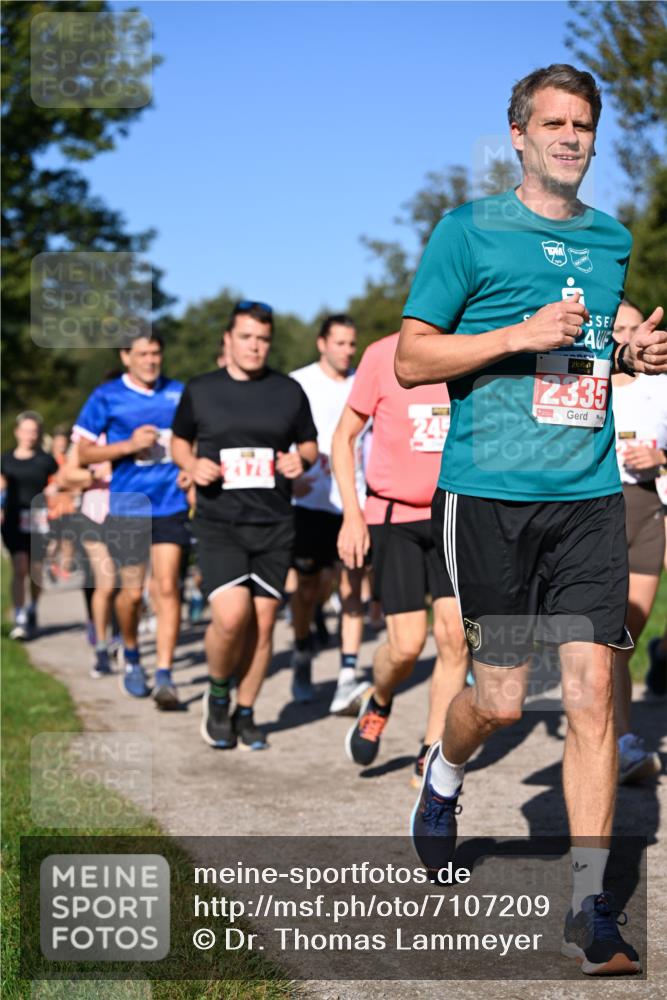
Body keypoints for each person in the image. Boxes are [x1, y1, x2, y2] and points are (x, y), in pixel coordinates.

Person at [396, 64, 667, 976]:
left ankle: (589, 906)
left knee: (591, 695)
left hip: (588, 494)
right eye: (551, 122)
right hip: (490, 497)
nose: (568, 137)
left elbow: (595, 321)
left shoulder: (607, 236)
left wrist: (632, 341)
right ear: (517, 133)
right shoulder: (466, 230)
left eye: (582, 124)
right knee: (502, 700)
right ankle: (442, 774)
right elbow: (409, 358)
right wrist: (517, 335)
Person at [171, 300, 318, 751]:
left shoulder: (288, 390)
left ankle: (247, 712)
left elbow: (309, 444)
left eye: (263, 339)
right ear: (228, 340)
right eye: (247, 337)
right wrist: (192, 464)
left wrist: (301, 460)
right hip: (220, 523)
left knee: (265, 621)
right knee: (232, 618)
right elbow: (179, 441)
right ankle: (218, 696)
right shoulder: (201, 389)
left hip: (274, 522)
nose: (255, 346)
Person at [332, 331, 469, 784]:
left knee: (454, 638)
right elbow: (343, 437)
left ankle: (432, 752)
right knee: (408, 646)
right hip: (393, 517)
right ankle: (381, 696)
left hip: (454, 515)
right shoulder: (381, 353)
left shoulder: (474, 347)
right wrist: (352, 513)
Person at [73, 330, 190, 708]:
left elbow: (196, 438)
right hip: (127, 506)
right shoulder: (106, 396)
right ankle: (132, 653)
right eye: (142, 354)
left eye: (156, 353)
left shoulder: (179, 392)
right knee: (130, 594)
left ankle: (166, 675)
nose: (151, 361)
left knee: (169, 587)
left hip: (171, 503)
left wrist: (189, 466)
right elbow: (83, 455)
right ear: (126, 357)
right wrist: (127, 446)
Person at [289, 314, 370, 713]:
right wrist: (292, 477)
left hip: (354, 502)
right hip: (310, 501)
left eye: (351, 343)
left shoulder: (364, 381)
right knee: (306, 591)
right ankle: (302, 651)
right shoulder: (299, 382)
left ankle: (347, 674)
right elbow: (279, 435)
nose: (347, 351)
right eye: (339, 343)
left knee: (351, 586)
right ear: (322, 344)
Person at [611, 299, 666, 781]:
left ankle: (612, 733)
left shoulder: (661, 385)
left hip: (649, 508)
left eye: (637, 326)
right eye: (621, 327)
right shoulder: (589, 383)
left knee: (628, 635)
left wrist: (660, 457)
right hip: (598, 508)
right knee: (605, 636)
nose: (632, 334)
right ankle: (620, 739)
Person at [1, 411, 58, 639]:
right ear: (17, 432)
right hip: (14, 518)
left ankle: (33, 606)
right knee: (19, 565)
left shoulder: (45, 460)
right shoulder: (5, 460)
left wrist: (54, 489)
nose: (29, 435)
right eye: (25, 430)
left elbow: (60, 480)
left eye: (33, 431)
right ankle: (19, 617)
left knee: (35, 569)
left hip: (39, 518)